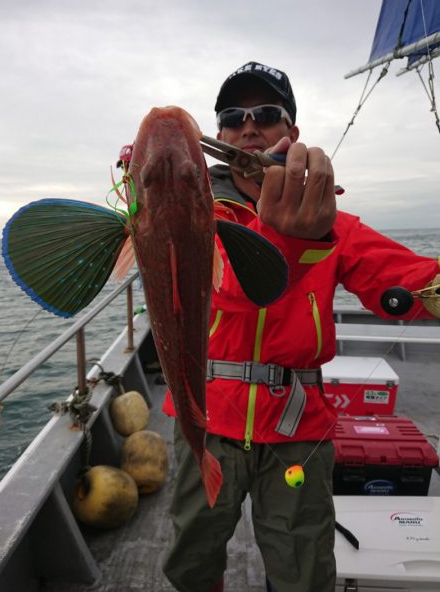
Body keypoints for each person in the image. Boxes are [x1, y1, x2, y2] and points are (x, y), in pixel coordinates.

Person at [161, 61, 440, 592]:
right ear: (218, 136)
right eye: (232, 116)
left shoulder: (337, 228)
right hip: (206, 418)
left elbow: (411, 281)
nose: (249, 126)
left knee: (303, 566)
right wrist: (289, 238)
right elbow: (227, 293)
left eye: (267, 114)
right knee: (192, 553)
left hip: (297, 429)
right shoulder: (192, 218)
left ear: (292, 134)